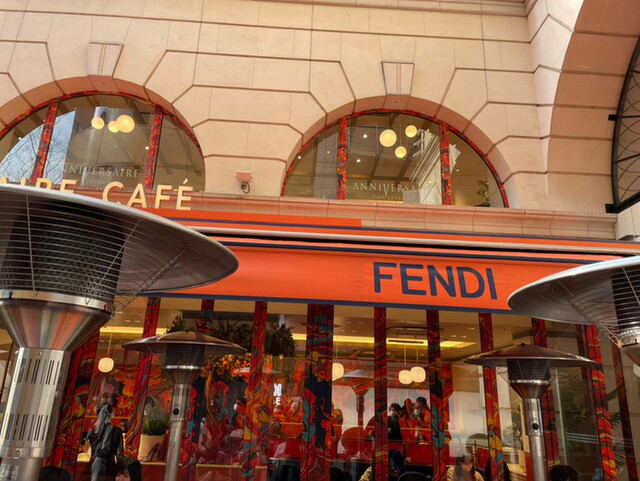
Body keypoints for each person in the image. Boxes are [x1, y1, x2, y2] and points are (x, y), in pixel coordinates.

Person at [88, 403, 116, 481]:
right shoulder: (108, 427)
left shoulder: (98, 426)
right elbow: (105, 447)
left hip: (97, 458)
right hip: (101, 459)